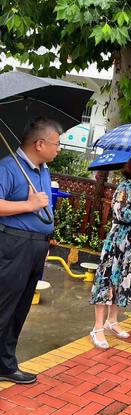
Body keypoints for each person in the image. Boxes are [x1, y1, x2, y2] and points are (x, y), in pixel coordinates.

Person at [0, 117, 62, 384]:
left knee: (20, 308)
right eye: (56, 143)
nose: (59, 148)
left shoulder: (42, 169)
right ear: (39, 143)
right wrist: (29, 204)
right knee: (3, 306)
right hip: (13, 245)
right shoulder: (8, 167)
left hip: (36, 246)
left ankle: (5, 363)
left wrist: (45, 239)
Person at [89, 154, 131, 349]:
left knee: (122, 283)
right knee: (107, 282)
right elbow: (122, 214)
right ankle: (97, 328)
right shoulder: (125, 188)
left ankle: (113, 321)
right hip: (117, 245)